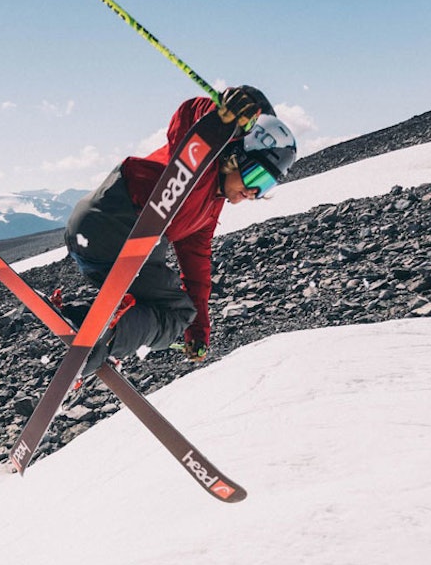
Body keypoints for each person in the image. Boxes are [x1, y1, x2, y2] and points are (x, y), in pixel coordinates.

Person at [61, 85, 298, 375]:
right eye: (256, 175)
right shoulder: (197, 166)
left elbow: (197, 271)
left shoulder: (208, 211)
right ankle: (100, 340)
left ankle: (85, 322)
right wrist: (221, 117)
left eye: (266, 185)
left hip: (93, 240)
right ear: (235, 156)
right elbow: (187, 118)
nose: (254, 192)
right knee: (178, 312)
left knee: (160, 306)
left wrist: (198, 331)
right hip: (117, 222)